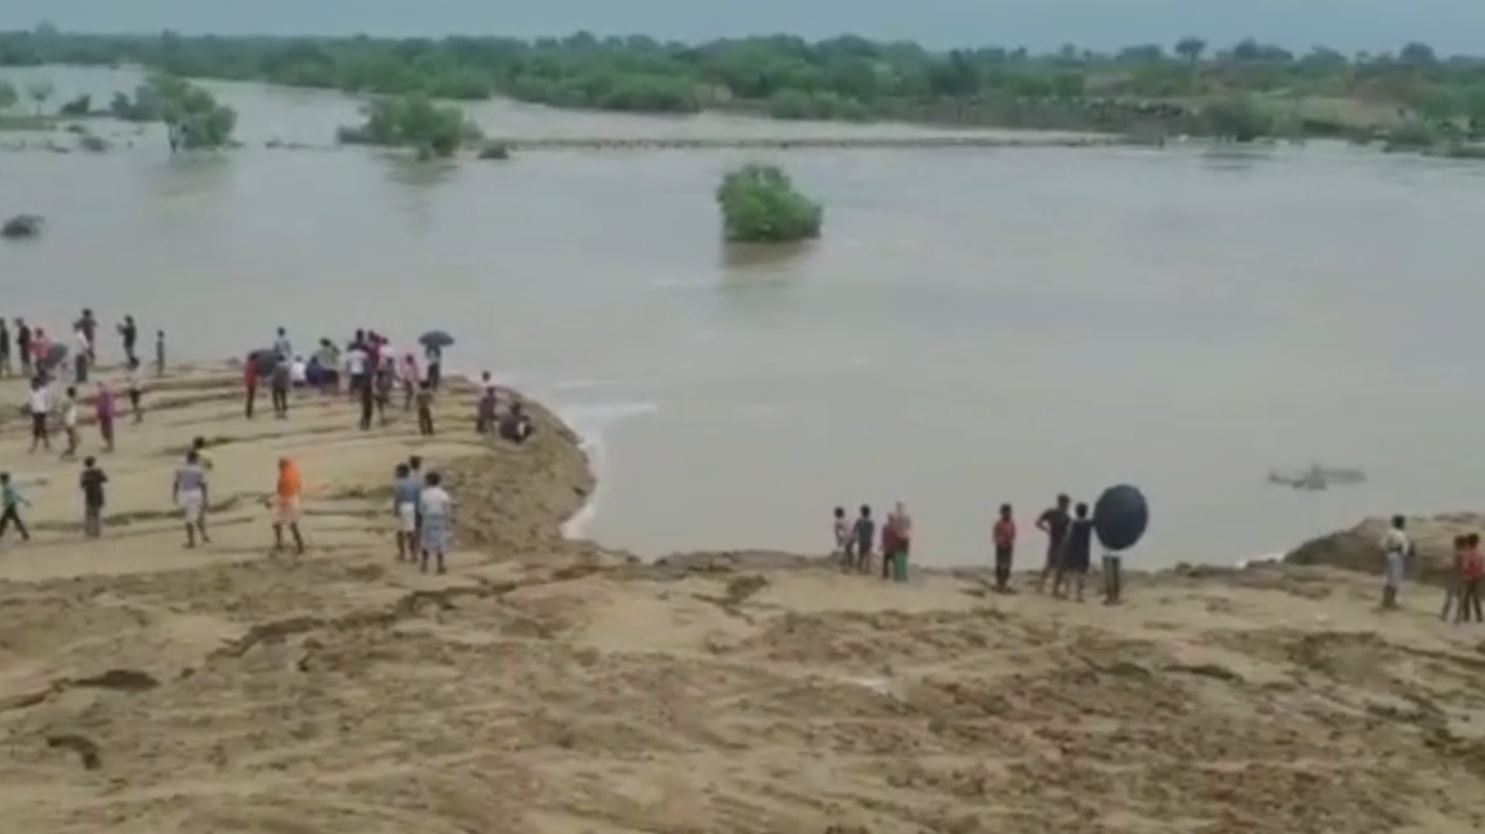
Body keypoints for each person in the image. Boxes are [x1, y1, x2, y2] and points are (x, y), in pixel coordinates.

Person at [1055, 503, 1094, 602]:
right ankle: (1079, 595)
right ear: (1086, 512)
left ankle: (1066, 592)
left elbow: (1068, 536)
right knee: (1081, 573)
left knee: (1068, 571)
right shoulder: (1089, 523)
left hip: (1072, 549)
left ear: (1077, 512)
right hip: (1084, 550)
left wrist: (1063, 548)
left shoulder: (1074, 523)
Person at [173, 450, 211, 548]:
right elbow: (203, 484)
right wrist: (206, 497)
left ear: (187, 458)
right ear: (195, 459)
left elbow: (176, 483)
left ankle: (191, 541)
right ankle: (203, 536)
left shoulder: (180, 469)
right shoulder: (199, 469)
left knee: (188, 518)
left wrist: (174, 495)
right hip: (196, 493)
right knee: (199, 515)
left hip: (185, 493)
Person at [418, 471, 453, 574]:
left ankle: (424, 565)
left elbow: (421, 509)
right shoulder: (443, 494)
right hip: (440, 518)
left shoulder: (424, 494)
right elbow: (447, 509)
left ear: (428, 481)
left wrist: (423, 517)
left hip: (428, 517)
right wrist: (448, 520)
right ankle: (440, 566)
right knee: (440, 541)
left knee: (425, 541)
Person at [1035, 494, 1072, 593]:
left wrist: (1045, 529)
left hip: (1060, 543)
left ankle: (1048, 587)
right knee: (1052, 565)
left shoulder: (1064, 516)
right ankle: (1044, 586)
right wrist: (1046, 529)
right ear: (1062, 503)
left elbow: (1068, 531)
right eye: (1066, 504)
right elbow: (1038, 522)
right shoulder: (1055, 514)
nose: (1066, 506)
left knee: (1055, 566)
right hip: (1056, 543)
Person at [272, 457, 305, 556]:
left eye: (280, 466)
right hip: (293, 499)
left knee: (282, 523)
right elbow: (298, 486)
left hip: (287, 500)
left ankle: (297, 546)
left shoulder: (284, 477)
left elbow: (282, 492)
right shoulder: (294, 472)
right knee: (285, 524)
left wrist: (276, 504)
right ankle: (297, 545)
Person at [1379, 515, 1410, 610]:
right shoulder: (1399, 533)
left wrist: (1388, 550)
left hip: (1391, 556)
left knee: (1390, 579)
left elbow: (1382, 545)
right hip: (1397, 557)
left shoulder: (1391, 532)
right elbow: (1404, 549)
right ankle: (1390, 601)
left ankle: (1387, 600)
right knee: (1394, 580)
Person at [393, 463, 421, 561]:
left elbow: (398, 497)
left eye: (397, 471)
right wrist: (418, 510)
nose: (395, 473)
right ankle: (414, 554)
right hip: (413, 507)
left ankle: (402, 554)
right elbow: (418, 497)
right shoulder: (415, 483)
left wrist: (395, 509)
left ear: (401, 472)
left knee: (400, 532)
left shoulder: (399, 483)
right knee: (411, 532)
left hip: (403, 507)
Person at [79, 456, 108, 538]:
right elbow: (105, 479)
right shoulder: (98, 471)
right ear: (94, 463)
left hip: (89, 494)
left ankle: (90, 531)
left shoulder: (85, 473)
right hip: (99, 494)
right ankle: (97, 531)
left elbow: (82, 485)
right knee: (97, 513)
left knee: (89, 514)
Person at [1442, 535, 1468, 622]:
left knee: (1449, 597)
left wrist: (1445, 569)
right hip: (1464, 578)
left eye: (1455, 543)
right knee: (1461, 599)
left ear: (1458, 544)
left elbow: (1453, 566)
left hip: (1455, 577)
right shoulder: (1467, 554)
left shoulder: (1457, 554)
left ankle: (1444, 615)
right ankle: (1458, 618)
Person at [1461, 533, 1485, 624]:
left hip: (1470, 578)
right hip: (1478, 577)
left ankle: (1467, 616)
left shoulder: (1468, 552)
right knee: (1476, 598)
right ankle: (1479, 617)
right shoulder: (1479, 552)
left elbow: (1465, 566)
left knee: (1467, 598)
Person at [0, 472, 31, 542]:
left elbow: (15, 496)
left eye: (1, 479)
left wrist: (25, 501)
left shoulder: (7, 487)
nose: (0, 481)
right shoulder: (6, 487)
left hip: (10, 507)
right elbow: (14, 496)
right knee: (15, 521)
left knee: (4, 521)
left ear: (5, 479)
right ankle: (25, 534)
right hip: (10, 506)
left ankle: (25, 534)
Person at [993, 503, 1017, 593]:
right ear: (1001, 513)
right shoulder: (998, 523)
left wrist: (1010, 541)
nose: (1007, 514)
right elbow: (995, 535)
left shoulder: (1012, 523)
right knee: (999, 565)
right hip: (1000, 546)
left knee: (1007, 566)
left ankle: (1004, 584)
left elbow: (1014, 534)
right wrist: (1000, 541)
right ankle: (999, 584)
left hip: (1009, 546)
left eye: (1008, 512)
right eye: (1005, 512)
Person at [886, 502, 912, 582]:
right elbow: (909, 526)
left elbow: (893, 526)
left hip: (897, 537)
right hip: (906, 537)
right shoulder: (908, 516)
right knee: (904, 556)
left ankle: (897, 575)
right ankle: (903, 575)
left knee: (897, 556)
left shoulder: (894, 516)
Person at [27, 376, 50, 453]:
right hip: (35, 412)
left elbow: (46, 401)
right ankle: (45, 443)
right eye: (33, 383)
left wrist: (47, 410)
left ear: (38, 383)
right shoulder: (30, 392)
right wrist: (30, 411)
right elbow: (30, 402)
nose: (33, 384)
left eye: (35, 383)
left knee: (39, 428)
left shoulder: (43, 391)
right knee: (40, 428)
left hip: (42, 412)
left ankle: (36, 444)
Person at [852, 505, 875, 574]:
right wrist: (871, 540)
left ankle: (859, 569)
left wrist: (855, 537)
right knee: (868, 555)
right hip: (868, 540)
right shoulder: (870, 522)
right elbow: (872, 532)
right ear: (869, 513)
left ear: (861, 512)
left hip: (861, 540)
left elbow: (854, 530)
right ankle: (867, 570)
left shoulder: (859, 521)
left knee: (861, 555)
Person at [94, 382, 116, 452]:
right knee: (104, 431)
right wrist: (98, 414)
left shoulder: (107, 395)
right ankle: (108, 445)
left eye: (101, 386)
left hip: (107, 415)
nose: (100, 388)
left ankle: (110, 446)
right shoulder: (101, 395)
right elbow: (99, 405)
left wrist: (108, 413)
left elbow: (110, 405)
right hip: (103, 415)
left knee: (108, 431)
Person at [60, 386, 80, 460]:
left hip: (70, 422)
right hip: (69, 423)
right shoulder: (69, 401)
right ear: (73, 393)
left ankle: (70, 453)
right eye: (76, 392)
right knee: (76, 439)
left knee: (74, 439)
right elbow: (63, 411)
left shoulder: (70, 400)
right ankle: (68, 453)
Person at [374, 357, 394, 426]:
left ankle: (381, 417)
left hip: (377, 395)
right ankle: (382, 418)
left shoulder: (375, 379)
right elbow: (385, 388)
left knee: (380, 407)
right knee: (382, 406)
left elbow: (375, 387)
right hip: (381, 395)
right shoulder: (383, 380)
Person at [125, 359, 144, 424]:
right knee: (135, 404)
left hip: (136, 389)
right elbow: (129, 378)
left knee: (136, 404)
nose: (131, 365)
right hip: (134, 389)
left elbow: (132, 379)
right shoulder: (135, 370)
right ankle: (139, 417)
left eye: (132, 364)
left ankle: (138, 417)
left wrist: (129, 376)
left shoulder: (137, 371)